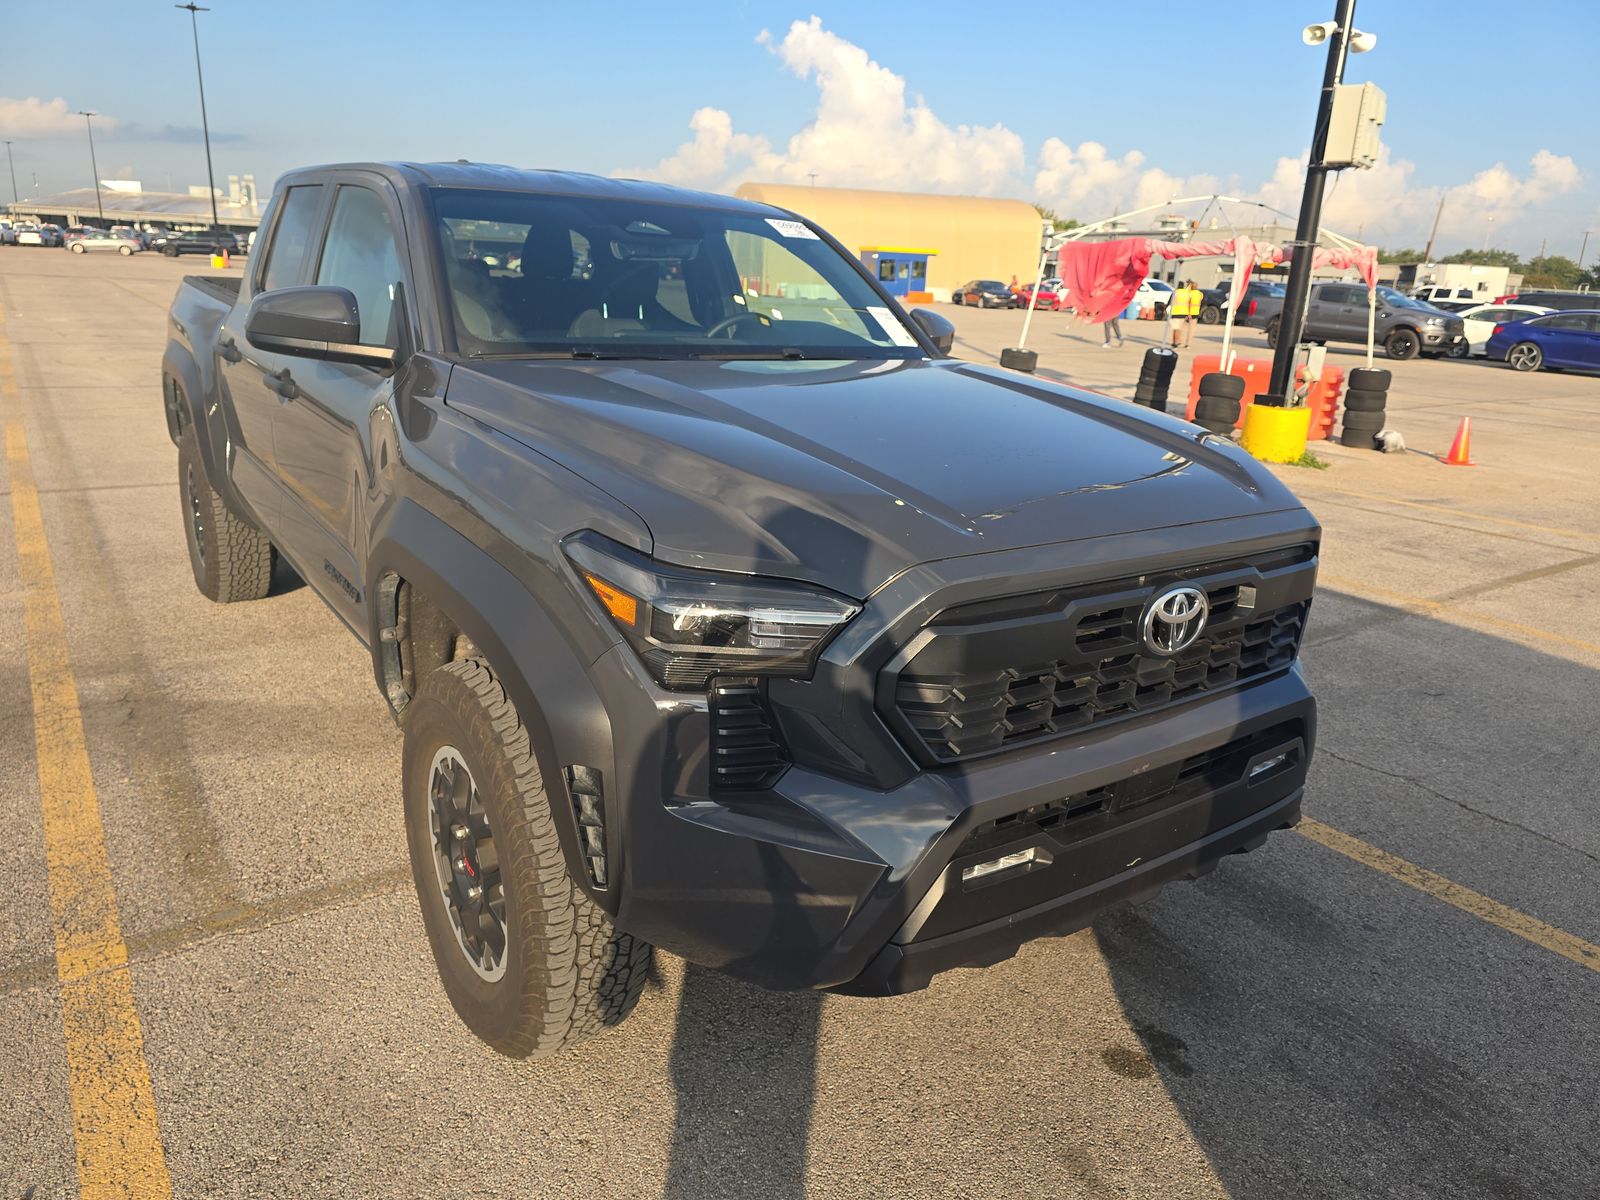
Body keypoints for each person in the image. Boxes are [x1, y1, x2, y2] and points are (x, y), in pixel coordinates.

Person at [1171, 279, 1202, 348]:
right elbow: (1199, 302)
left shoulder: (1188, 293)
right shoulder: (1200, 294)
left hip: (1187, 312)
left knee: (1182, 329)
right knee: (1191, 330)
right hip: (1195, 313)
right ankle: (1188, 344)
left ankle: (1180, 341)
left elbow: (1188, 302)